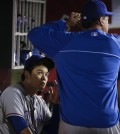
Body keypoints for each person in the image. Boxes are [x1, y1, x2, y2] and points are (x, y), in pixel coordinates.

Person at [27, 0, 120, 134]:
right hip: (106, 121)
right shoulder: (116, 43)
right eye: (107, 18)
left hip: (72, 122)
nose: (108, 22)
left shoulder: (65, 41)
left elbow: (34, 34)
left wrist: (66, 23)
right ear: (101, 20)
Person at [0, 54, 56, 134]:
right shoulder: (13, 93)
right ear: (27, 75)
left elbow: (52, 129)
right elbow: (22, 130)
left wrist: (56, 104)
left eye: (46, 75)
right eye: (40, 73)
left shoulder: (39, 101)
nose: (44, 78)